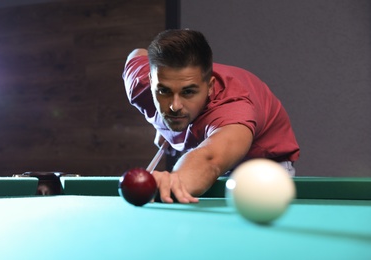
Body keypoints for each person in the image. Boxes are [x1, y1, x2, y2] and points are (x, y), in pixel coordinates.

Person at [123, 29, 300, 204]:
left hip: (262, 171)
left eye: (189, 92)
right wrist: (161, 125)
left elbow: (210, 160)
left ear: (210, 86)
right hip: (202, 162)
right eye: (164, 91)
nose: (174, 106)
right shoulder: (139, 84)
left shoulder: (234, 108)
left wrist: (174, 181)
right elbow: (137, 54)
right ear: (150, 81)